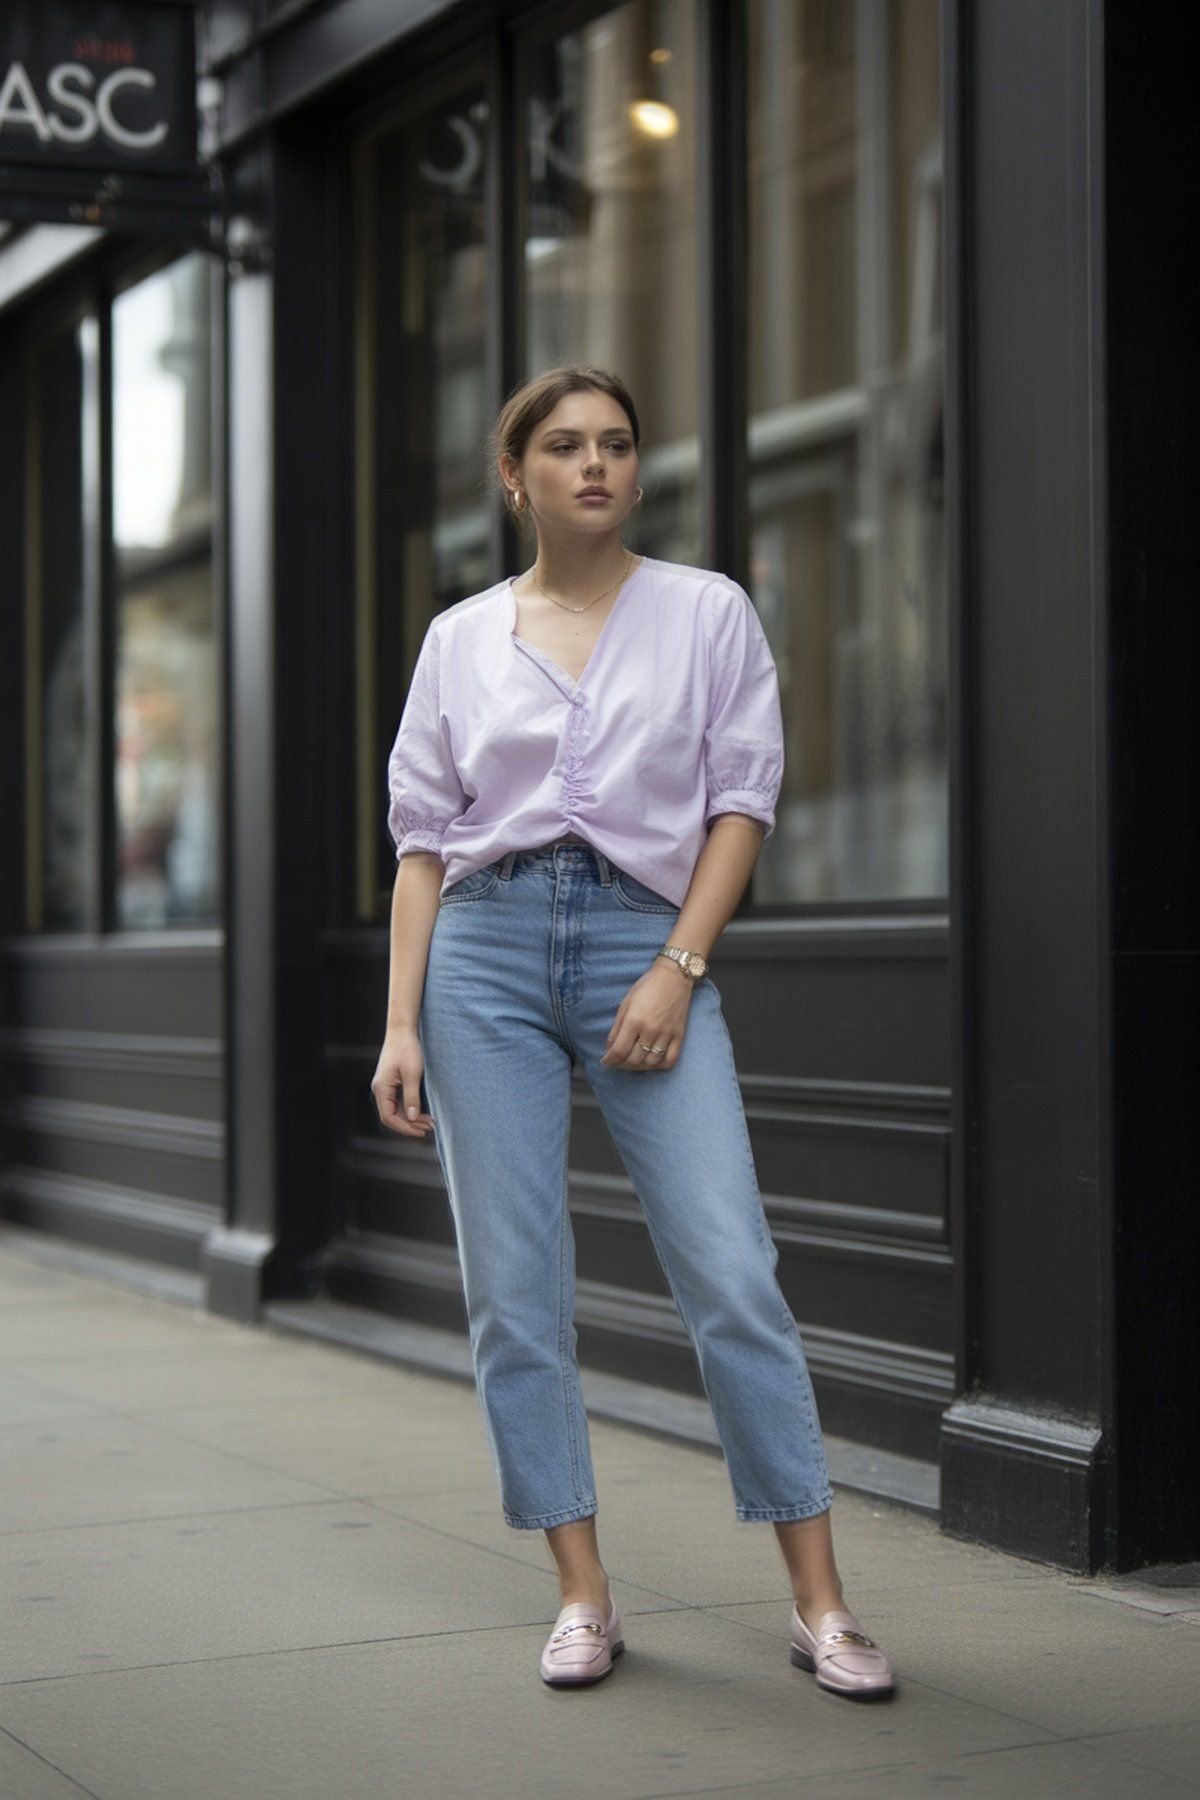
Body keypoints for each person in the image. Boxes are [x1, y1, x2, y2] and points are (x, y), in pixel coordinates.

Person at [370, 364, 895, 1699]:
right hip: (481, 957)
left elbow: (742, 804)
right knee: (516, 1291)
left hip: (643, 944)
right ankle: (583, 1595)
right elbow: (424, 847)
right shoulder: (458, 641)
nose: (593, 464)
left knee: (731, 1271)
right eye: (563, 445)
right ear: (516, 478)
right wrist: (400, 1027)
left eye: (614, 443)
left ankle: (821, 1603)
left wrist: (677, 964)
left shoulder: (708, 612)